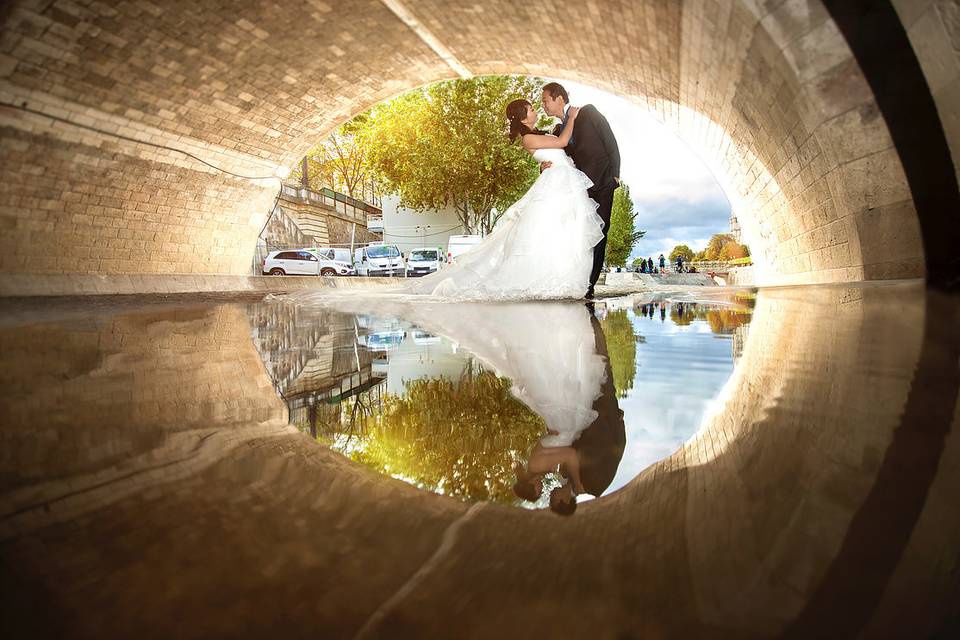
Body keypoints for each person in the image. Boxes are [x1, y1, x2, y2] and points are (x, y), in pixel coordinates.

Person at [405, 95, 604, 301]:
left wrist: (543, 163)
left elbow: (557, 150)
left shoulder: (536, 134)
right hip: (557, 184)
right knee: (550, 230)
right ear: (523, 117)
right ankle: (547, 279)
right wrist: (571, 118)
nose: (536, 111)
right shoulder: (528, 138)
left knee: (565, 230)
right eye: (532, 109)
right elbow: (562, 142)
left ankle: (565, 278)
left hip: (563, 182)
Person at [542, 82, 621, 300]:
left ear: (559, 98)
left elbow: (610, 140)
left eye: (545, 101)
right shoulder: (559, 131)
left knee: (601, 232)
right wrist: (544, 165)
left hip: (604, 182)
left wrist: (615, 173)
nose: (544, 106)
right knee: (581, 234)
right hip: (580, 189)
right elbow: (562, 157)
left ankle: (590, 285)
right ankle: (576, 278)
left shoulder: (588, 112)